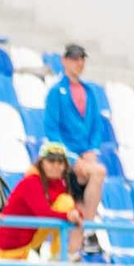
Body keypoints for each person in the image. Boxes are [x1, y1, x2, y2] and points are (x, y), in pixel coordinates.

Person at [38, 44, 109, 249]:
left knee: (79, 208)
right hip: (66, 159)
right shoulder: (56, 92)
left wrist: (90, 151)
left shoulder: (90, 92)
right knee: (98, 172)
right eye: (75, 59)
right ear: (65, 61)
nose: (79, 63)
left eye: (82, 59)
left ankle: (77, 246)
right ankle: (90, 229)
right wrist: (71, 157)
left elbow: (96, 126)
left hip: (85, 158)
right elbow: (52, 130)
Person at [0, 141, 82, 260]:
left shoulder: (58, 184)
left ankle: (59, 255)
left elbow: (68, 209)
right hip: (12, 243)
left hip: (29, 238)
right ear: (41, 163)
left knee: (66, 202)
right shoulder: (31, 182)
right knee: (65, 203)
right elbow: (43, 213)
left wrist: (76, 214)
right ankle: (59, 256)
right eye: (51, 161)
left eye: (60, 162)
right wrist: (68, 216)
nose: (56, 165)